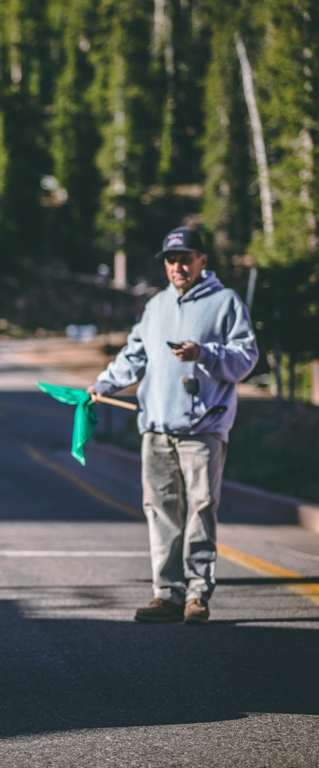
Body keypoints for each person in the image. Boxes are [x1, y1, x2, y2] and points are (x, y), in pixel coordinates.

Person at [88, 226, 258, 624]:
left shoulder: (225, 302)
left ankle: (197, 594)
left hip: (203, 429)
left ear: (203, 261)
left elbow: (247, 357)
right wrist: (103, 383)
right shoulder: (157, 306)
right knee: (161, 511)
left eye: (186, 258)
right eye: (171, 259)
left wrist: (205, 353)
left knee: (200, 509)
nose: (178, 266)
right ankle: (167, 594)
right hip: (157, 428)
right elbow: (134, 355)